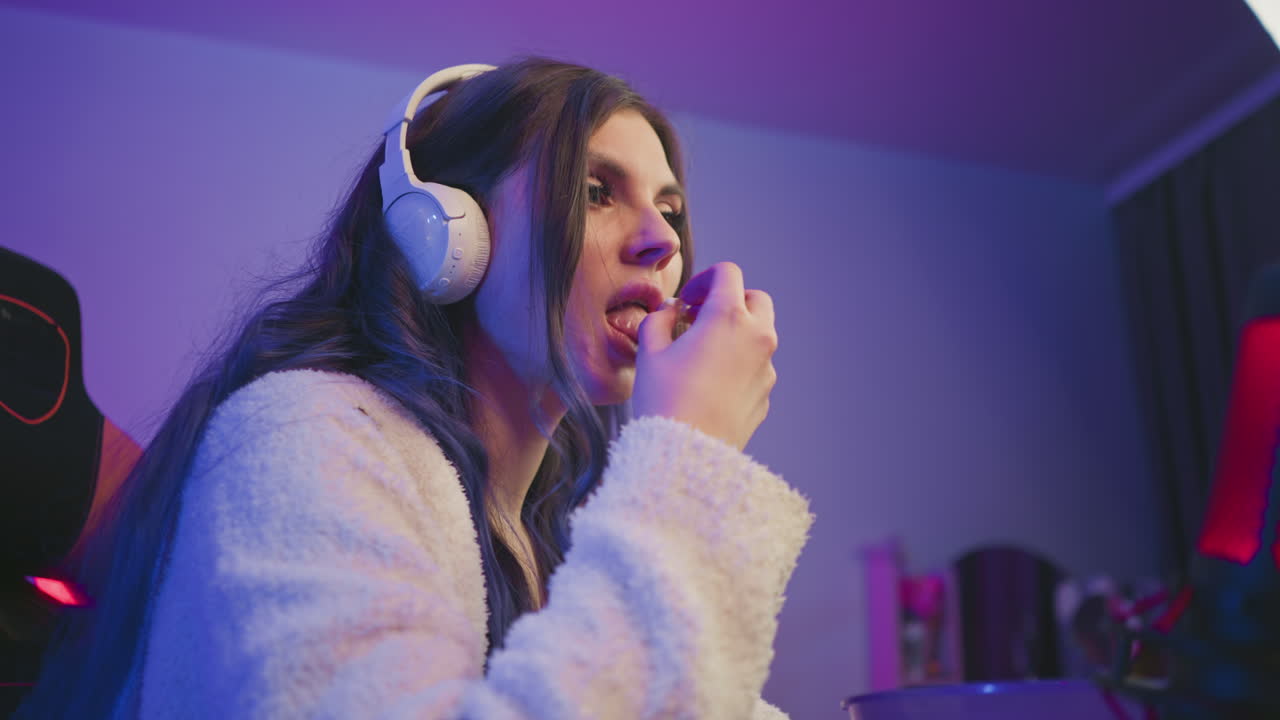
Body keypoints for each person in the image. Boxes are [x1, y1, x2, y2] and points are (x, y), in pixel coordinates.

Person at [18, 57, 812, 719]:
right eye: (595, 192)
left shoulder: (553, 545)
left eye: (669, 208)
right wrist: (692, 456)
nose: (663, 240)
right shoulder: (306, 438)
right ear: (448, 233)